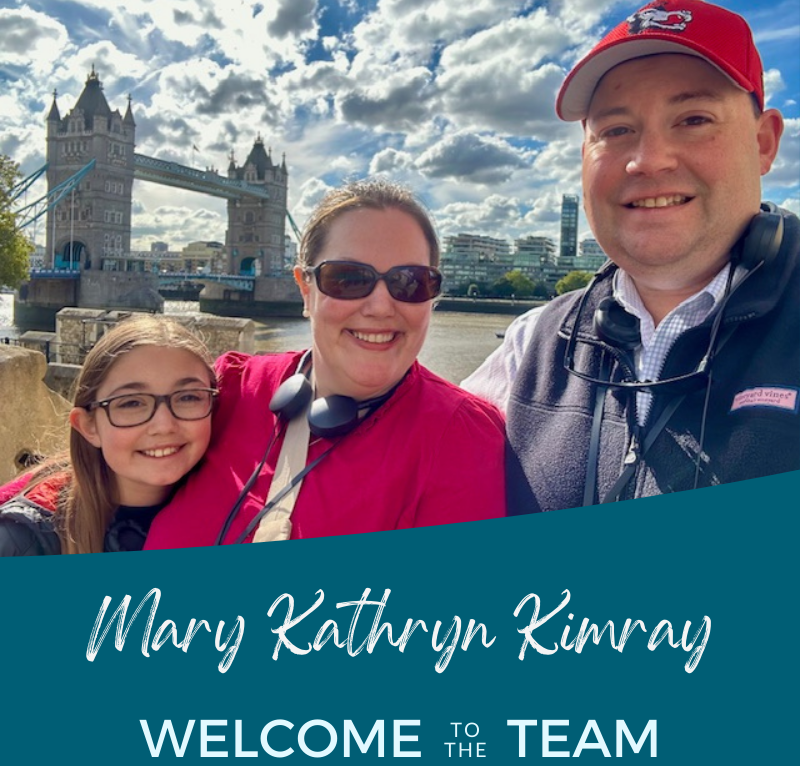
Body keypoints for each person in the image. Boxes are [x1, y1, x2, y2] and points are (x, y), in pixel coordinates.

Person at [463, 0, 798, 512]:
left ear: (764, 141)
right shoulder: (532, 345)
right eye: (616, 130)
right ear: (584, 157)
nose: (648, 160)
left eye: (692, 118)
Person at [145, 179, 506, 547]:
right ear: (305, 289)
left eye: (410, 282)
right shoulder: (230, 388)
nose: (381, 306)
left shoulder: (460, 436)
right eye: (348, 279)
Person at [0, 317, 216, 555]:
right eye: (131, 403)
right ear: (88, 426)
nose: (164, 425)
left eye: (188, 397)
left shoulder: (238, 510)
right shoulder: (25, 540)